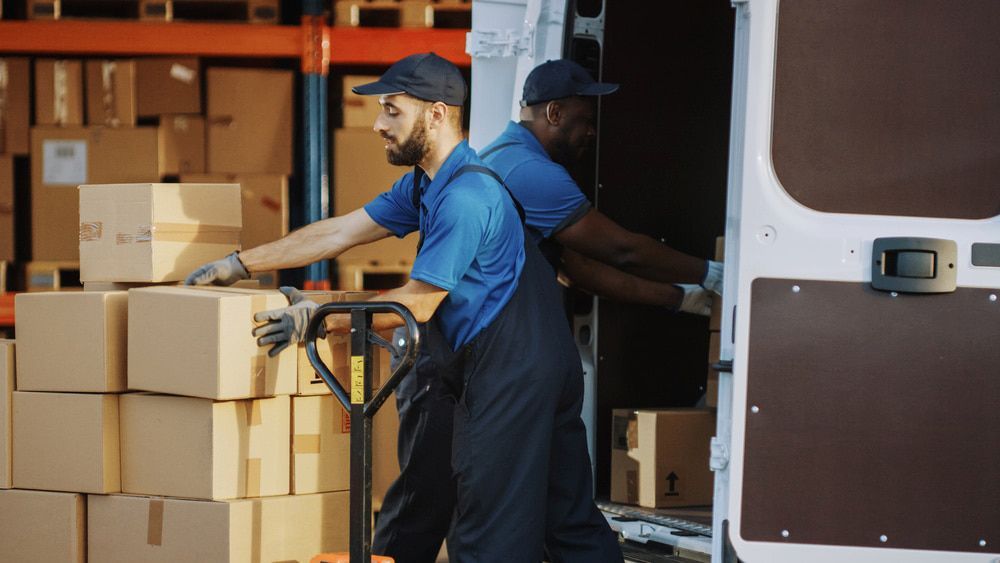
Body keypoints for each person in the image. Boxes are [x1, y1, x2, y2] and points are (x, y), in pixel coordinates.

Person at [185, 52, 623, 563]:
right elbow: (342, 231)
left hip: (512, 374)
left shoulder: (468, 197)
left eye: (392, 110)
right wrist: (241, 263)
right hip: (537, 362)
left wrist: (320, 319)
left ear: (435, 114)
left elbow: (419, 301)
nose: (378, 124)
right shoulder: (426, 184)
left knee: (488, 535)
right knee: (568, 520)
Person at [373, 59, 723, 562]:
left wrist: (680, 298)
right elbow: (621, 250)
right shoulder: (527, 170)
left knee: (557, 514)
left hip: (515, 361)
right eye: (585, 118)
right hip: (464, 359)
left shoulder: (502, 160)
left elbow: (577, 268)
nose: (592, 132)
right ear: (554, 113)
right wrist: (712, 274)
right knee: (453, 507)